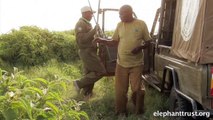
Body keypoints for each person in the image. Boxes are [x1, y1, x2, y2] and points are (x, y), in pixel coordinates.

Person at [93, 5, 151, 116]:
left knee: (137, 89)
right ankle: (121, 112)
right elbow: (114, 42)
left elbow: (148, 41)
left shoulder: (141, 24)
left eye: (122, 14)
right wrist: (101, 40)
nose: (120, 16)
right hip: (121, 63)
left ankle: (139, 112)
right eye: (119, 14)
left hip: (137, 64)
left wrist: (140, 48)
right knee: (120, 90)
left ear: (130, 13)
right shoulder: (119, 25)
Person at [73, 6, 106, 98]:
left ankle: (86, 94)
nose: (92, 15)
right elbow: (82, 39)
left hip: (90, 51)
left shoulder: (86, 23)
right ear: (85, 13)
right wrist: (93, 30)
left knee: (89, 73)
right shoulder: (80, 23)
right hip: (87, 52)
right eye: (90, 13)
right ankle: (78, 83)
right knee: (100, 71)